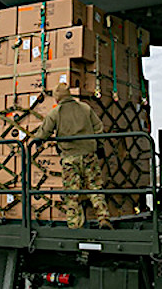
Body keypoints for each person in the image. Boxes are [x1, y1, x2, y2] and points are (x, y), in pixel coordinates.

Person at [33, 83, 113, 230]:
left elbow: (44, 131)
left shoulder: (56, 113)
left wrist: (37, 140)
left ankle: (76, 225)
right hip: (89, 154)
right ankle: (103, 218)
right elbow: (99, 127)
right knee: (95, 187)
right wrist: (100, 146)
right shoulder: (85, 108)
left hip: (70, 158)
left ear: (57, 98)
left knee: (72, 193)